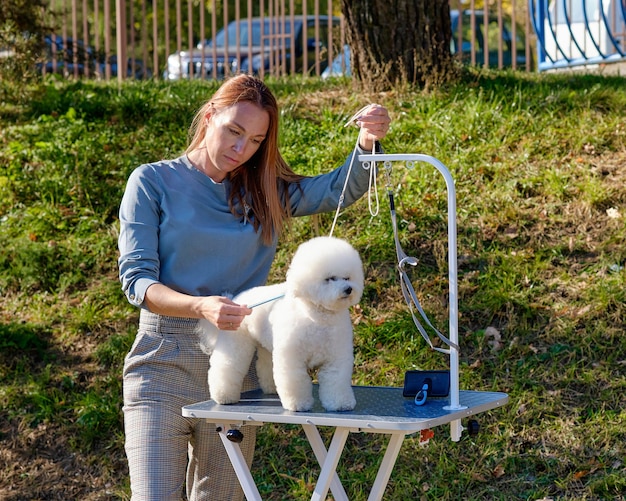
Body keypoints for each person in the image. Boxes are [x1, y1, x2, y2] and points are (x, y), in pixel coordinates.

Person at [117, 73, 391, 501]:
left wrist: (368, 142)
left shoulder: (265, 189)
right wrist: (199, 307)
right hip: (162, 365)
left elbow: (337, 190)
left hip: (238, 371)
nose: (241, 149)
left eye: (256, 140)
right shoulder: (152, 182)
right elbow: (137, 282)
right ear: (210, 115)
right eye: (234, 131)